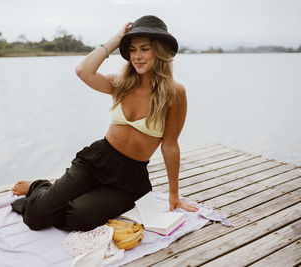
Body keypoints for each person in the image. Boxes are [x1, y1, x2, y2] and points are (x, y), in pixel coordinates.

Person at [11, 15, 198, 232]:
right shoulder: (121, 84)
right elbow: (83, 71)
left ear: (160, 50)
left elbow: (170, 145)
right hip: (97, 161)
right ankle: (40, 187)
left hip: (130, 179)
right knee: (36, 218)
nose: (136, 56)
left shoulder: (175, 93)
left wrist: (174, 194)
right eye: (132, 49)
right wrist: (117, 38)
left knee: (79, 218)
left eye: (144, 49)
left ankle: (56, 195)